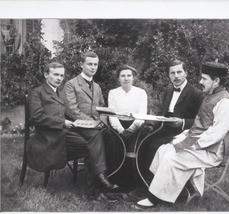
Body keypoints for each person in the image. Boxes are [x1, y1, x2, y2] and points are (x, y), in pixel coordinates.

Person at [132, 61, 229, 209]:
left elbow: (215, 135)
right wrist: (180, 139)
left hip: (211, 150)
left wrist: (189, 144)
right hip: (200, 144)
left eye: (204, 78)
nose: (200, 82)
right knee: (164, 149)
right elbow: (198, 125)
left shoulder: (226, 103)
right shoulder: (211, 96)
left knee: (171, 158)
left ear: (217, 81)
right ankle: (169, 191)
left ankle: (152, 199)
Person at [137, 59, 204, 185]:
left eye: (179, 72)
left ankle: (156, 185)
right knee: (141, 141)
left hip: (182, 132)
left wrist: (183, 122)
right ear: (169, 75)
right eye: (172, 73)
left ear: (186, 73)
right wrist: (151, 124)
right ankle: (142, 182)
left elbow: (201, 122)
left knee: (154, 146)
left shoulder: (196, 94)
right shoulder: (168, 91)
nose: (176, 76)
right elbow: (161, 113)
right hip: (163, 127)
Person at [64, 51, 118, 191]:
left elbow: (102, 108)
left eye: (95, 64)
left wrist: (103, 122)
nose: (93, 67)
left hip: (95, 125)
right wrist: (93, 123)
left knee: (113, 136)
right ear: (81, 65)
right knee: (95, 136)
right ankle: (99, 180)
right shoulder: (71, 84)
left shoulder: (98, 87)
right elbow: (72, 110)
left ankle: (111, 175)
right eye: (89, 64)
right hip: (77, 125)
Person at [26, 62, 80, 172]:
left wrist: (81, 121)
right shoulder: (37, 92)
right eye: (56, 75)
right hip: (47, 137)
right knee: (89, 145)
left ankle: (97, 178)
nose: (59, 78)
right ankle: (95, 181)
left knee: (95, 138)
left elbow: (68, 113)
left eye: (61, 75)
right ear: (46, 74)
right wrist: (63, 122)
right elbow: (37, 117)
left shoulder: (61, 93)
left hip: (63, 133)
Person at [107, 64, 147, 188]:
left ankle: (135, 182)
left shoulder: (141, 93)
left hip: (136, 126)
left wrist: (131, 129)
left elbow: (142, 114)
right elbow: (112, 115)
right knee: (114, 148)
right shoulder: (113, 93)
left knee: (136, 150)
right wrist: (120, 130)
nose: (126, 78)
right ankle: (116, 181)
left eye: (128, 75)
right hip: (117, 126)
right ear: (118, 78)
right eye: (122, 76)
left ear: (133, 77)